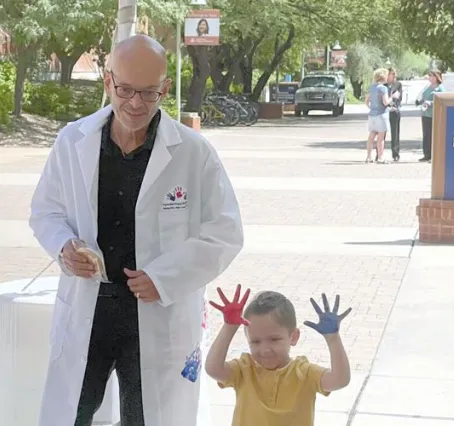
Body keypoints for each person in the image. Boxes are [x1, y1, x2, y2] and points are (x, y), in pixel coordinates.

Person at [29, 34, 243, 426]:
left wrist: (164, 278)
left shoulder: (194, 153)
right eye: (125, 90)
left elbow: (225, 232)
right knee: (72, 411)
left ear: (164, 88)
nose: (135, 104)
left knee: (145, 417)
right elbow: (46, 211)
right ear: (108, 81)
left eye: (148, 93)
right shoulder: (73, 141)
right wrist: (63, 246)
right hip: (89, 305)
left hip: (155, 310)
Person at [205, 285, 352, 426]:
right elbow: (213, 369)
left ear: (293, 337)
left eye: (274, 339)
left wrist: (333, 339)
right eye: (255, 341)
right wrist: (229, 327)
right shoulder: (244, 369)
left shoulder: (305, 373)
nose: (265, 350)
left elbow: (340, 380)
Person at [365, 68, 399, 163]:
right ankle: (380, 157)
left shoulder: (372, 87)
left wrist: (371, 108)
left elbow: (367, 100)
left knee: (372, 135)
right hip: (381, 114)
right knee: (381, 137)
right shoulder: (383, 88)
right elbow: (385, 102)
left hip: (372, 114)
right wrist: (392, 97)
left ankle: (369, 157)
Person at [415, 70, 445, 162]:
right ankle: (427, 154)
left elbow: (442, 101)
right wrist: (420, 102)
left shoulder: (440, 89)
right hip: (425, 114)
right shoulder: (427, 87)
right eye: (430, 76)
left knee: (434, 135)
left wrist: (431, 103)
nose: (430, 78)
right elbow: (423, 97)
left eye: (432, 76)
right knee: (426, 135)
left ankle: (435, 156)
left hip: (435, 115)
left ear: (437, 77)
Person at [384, 68, 403, 162]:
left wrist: (394, 105)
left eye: (394, 74)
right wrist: (387, 104)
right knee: (381, 132)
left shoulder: (398, 84)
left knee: (395, 133)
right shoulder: (383, 85)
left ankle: (395, 153)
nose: (393, 76)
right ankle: (379, 153)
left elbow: (399, 97)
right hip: (384, 110)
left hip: (394, 110)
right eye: (391, 74)